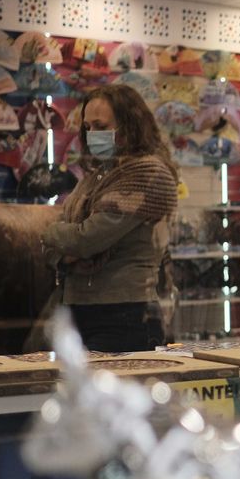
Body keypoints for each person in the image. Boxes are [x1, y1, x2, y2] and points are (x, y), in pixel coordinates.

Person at [40, 84, 178, 352]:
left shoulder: (148, 173)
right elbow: (60, 248)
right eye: (88, 128)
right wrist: (63, 246)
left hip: (124, 313)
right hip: (80, 309)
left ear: (128, 125)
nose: (92, 135)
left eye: (100, 126)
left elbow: (86, 239)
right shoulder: (98, 175)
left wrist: (49, 233)